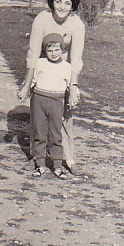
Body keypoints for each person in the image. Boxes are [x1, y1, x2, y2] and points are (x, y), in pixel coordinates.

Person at [17, 0, 85, 173]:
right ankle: (35, 155)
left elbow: (75, 57)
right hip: (43, 68)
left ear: (73, 6)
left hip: (63, 71)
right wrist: (27, 84)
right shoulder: (42, 19)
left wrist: (73, 87)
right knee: (38, 117)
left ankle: (68, 157)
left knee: (65, 115)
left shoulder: (77, 24)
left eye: (67, 3)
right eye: (58, 1)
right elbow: (33, 53)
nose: (62, 7)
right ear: (52, 2)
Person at [23, 33, 71, 178]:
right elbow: (33, 80)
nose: (54, 53)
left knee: (55, 134)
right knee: (40, 133)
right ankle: (40, 164)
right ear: (45, 51)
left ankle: (57, 165)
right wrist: (25, 91)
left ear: (62, 50)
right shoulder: (40, 63)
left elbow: (71, 86)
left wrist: (73, 98)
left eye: (57, 50)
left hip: (56, 102)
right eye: (50, 50)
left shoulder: (66, 67)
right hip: (39, 100)